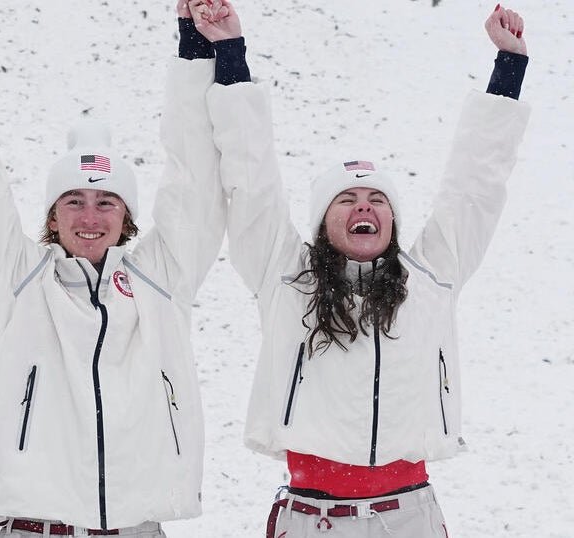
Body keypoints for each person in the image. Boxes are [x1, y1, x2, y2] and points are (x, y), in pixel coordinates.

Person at [190, 1, 530, 536]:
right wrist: (230, 52)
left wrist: (508, 67)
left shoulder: (431, 277)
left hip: (409, 517)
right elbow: (251, 178)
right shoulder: (285, 277)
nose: (363, 208)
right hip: (313, 518)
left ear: (392, 220)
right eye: (346, 199)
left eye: (376, 199)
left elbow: (475, 186)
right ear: (322, 221)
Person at [0, 0, 229, 535]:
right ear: (51, 215)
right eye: (73, 201)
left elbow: (195, 176)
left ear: (127, 216)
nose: (89, 217)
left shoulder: (161, 279)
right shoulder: (16, 276)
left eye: (106, 202)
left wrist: (197, 51)